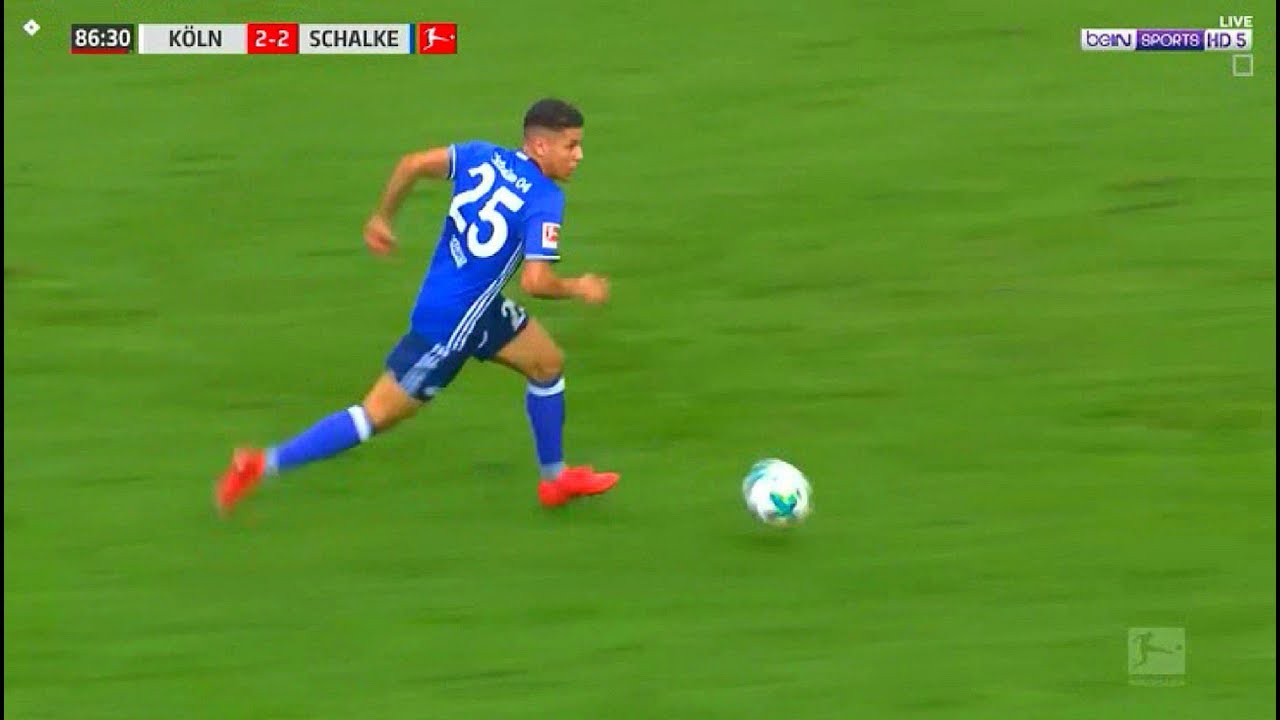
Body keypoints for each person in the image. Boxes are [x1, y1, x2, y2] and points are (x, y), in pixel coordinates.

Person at [215, 98, 620, 514]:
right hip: (450, 327)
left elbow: (411, 164)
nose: (579, 156)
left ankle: (555, 480)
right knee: (373, 415)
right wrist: (579, 287)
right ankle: (260, 464)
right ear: (540, 146)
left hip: (473, 306)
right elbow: (536, 282)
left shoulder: (481, 155)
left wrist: (382, 218)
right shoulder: (545, 198)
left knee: (547, 364)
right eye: (571, 146)